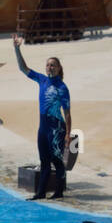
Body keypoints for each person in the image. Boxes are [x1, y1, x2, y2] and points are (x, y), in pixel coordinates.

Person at [14, 33, 72, 200]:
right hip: (43, 128)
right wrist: (17, 49)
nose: (49, 68)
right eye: (47, 65)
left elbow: (67, 113)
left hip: (56, 129)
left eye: (53, 65)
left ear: (59, 68)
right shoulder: (42, 80)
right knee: (44, 161)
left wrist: (68, 134)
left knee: (57, 161)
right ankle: (40, 193)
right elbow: (23, 68)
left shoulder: (62, 88)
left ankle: (59, 192)